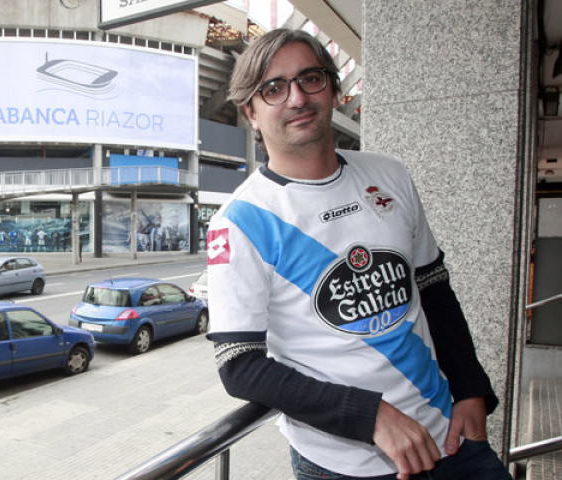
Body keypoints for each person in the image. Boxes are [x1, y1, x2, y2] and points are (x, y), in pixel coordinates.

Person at [205, 29, 509, 480]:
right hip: (345, 466)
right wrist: (372, 417)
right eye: (274, 88)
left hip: (451, 437)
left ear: (332, 89)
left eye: (311, 79)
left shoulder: (389, 174)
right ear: (251, 112)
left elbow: (434, 289)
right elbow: (239, 365)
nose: (297, 98)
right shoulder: (239, 221)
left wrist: (470, 389)